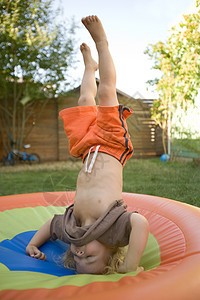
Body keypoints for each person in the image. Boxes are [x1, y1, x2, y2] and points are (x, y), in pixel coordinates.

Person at [26, 15, 149, 275]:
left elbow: (51, 225)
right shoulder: (114, 229)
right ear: (111, 250)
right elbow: (140, 223)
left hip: (87, 150)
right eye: (89, 260)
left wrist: (33, 244)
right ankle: (102, 42)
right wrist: (130, 265)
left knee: (84, 100)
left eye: (77, 260)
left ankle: (90, 68)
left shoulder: (72, 230)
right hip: (112, 145)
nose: (79, 255)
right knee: (106, 93)